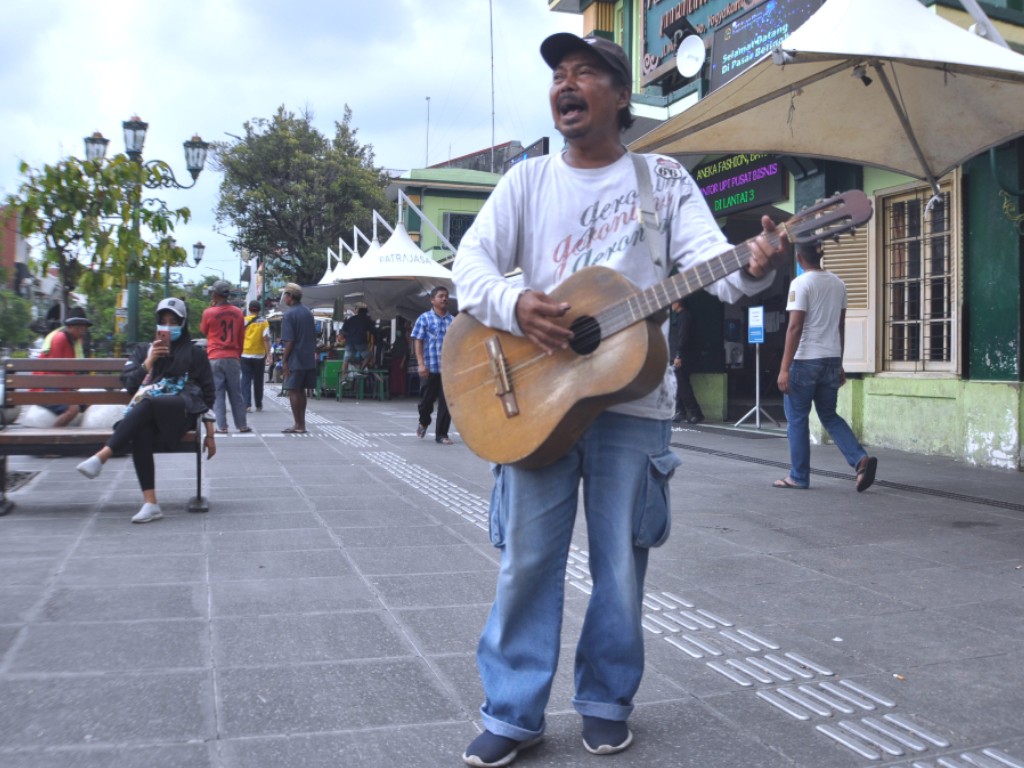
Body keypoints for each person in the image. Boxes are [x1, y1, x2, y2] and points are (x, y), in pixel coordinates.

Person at [451, 33, 788, 767]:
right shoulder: (527, 182)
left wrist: (757, 266)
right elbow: (468, 263)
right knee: (527, 561)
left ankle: (606, 700)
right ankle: (512, 711)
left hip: (633, 406)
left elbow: (715, 271)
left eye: (585, 73)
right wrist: (513, 306)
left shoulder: (662, 181)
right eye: (558, 75)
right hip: (534, 397)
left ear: (622, 96)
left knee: (621, 564)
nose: (565, 85)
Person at [75, 298, 216, 523]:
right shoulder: (143, 351)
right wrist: (149, 362)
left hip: (182, 412)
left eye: (174, 322)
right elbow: (130, 385)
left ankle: (103, 455)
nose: (168, 327)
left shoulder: (194, 353)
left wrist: (210, 431)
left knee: (149, 402)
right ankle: (150, 503)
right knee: (141, 430)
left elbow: (209, 395)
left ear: (183, 324)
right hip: (150, 414)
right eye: (164, 321)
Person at [774, 241, 878, 491]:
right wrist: (839, 363)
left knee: (797, 419)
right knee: (829, 415)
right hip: (831, 358)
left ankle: (798, 476)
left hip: (805, 360)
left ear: (799, 257)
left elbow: (795, 327)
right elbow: (840, 326)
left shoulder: (800, 284)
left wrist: (784, 368)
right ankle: (859, 459)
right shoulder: (838, 283)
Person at [200, 280, 250, 434]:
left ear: (215, 294)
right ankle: (242, 425)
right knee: (236, 392)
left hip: (214, 356)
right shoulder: (237, 312)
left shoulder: (209, 312)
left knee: (218, 393)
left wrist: (212, 308)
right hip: (233, 356)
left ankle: (222, 426)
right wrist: (238, 354)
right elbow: (241, 336)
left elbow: (204, 331)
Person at [411, 286, 453, 445]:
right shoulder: (424, 318)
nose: (444, 299)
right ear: (432, 300)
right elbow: (418, 341)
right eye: (441, 296)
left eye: (446, 296)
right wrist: (421, 364)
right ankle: (424, 421)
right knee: (425, 403)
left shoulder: (453, 321)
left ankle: (442, 434)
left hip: (448, 370)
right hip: (429, 368)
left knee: (447, 403)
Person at [39, 306, 92, 427]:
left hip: (61, 387)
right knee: (72, 410)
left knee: (89, 402)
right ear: (69, 327)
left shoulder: (74, 341)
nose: (82, 331)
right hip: (46, 388)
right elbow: (54, 374)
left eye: (83, 328)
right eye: (78, 328)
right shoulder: (60, 338)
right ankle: (51, 437)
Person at [279, 282, 316, 433]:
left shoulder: (289, 315)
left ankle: (298, 424)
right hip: (308, 357)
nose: (284, 298)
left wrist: (284, 359)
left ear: (289, 297)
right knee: (301, 391)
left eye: (285, 295)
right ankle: (302, 424)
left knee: (293, 391)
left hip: (296, 357)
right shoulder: (308, 312)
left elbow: (290, 340)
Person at [669, 300, 705, 424]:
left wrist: (678, 355)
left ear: (678, 303)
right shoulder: (681, 317)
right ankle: (680, 412)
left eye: (673, 302)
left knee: (683, 386)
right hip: (677, 356)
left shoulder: (685, 317)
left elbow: (683, 337)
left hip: (682, 357)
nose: (671, 305)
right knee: (677, 385)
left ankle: (696, 413)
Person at [240, 300, 271, 413]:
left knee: (246, 379)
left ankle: (246, 404)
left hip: (245, 354)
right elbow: (265, 339)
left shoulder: (243, 321)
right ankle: (258, 403)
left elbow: (240, 337)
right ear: (259, 310)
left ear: (249, 309)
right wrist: (269, 355)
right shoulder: (264, 321)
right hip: (259, 355)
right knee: (258, 380)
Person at [340, 306, 375, 379]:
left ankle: (343, 377)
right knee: (368, 355)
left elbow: (343, 331)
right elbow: (373, 330)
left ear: (358, 312)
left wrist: (348, 337)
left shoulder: (351, 319)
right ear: (366, 313)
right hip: (361, 342)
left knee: (346, 359)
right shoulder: (367, 319)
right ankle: (360, 370)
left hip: (349, 343)